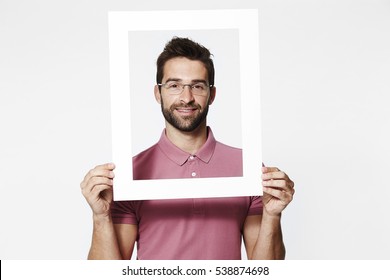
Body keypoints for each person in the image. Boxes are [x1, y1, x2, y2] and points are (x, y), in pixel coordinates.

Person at [81, 37, 295, 260]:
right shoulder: (131, 172)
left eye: (197, 86)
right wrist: (100, 216)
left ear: (211, 95)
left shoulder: (247, 167)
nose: (186, 98)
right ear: (158, 93)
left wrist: (272, 215)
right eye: (174, 85)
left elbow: (266, 271)